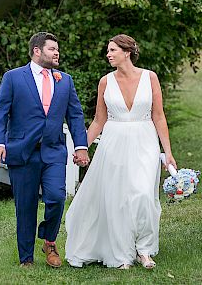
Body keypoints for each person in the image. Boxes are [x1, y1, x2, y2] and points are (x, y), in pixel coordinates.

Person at [65, 34, 177, 269]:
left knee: (144, 195)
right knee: (119, 200)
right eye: (108, 50)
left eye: (113, 50)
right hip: (114, 144)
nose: (108, 54)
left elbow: (158, 115)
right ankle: (122, 253)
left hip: (144, 141)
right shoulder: (105, 81)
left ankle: (144, 250)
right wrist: (81, 147)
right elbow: (98, 120)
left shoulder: (150, 77)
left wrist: (167, 152)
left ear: (127, 52)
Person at [0, 32, 89, 268]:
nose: (57, 53)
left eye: (57, 49)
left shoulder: (65, 80)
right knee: (25, 207)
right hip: (22, 152)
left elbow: (75, 114)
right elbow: (1, 112)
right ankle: (26, 259)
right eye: (52, 49)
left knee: (56, 197)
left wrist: (81, 146)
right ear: (37, 51)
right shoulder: (13, 78)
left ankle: (49, 240)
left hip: (54, 151)